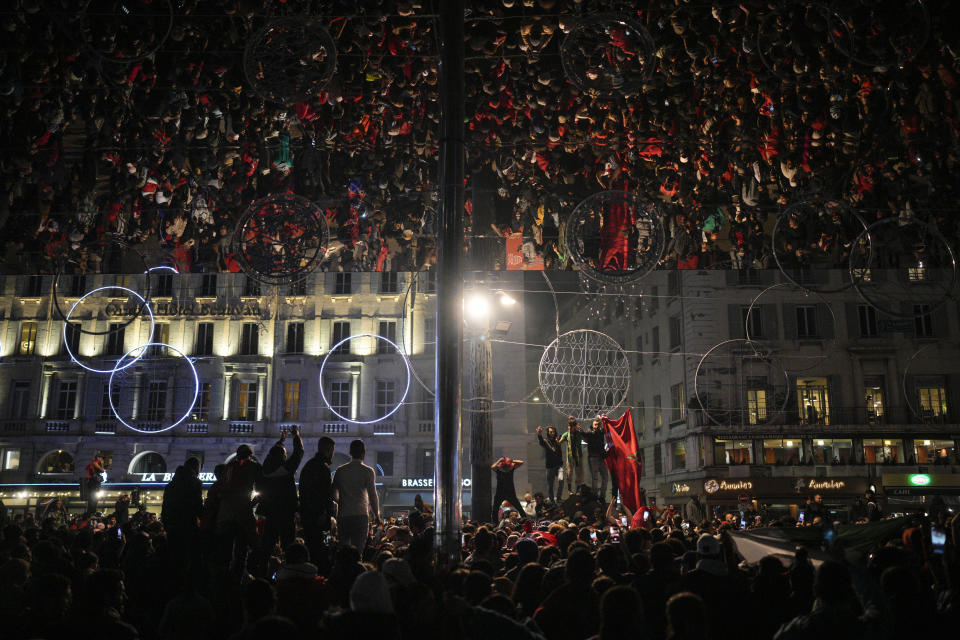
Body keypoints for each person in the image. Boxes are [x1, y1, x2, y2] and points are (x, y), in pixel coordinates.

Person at [256, 426, 305, 572]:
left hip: (270, 513)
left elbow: (273, 455)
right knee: (288, 545)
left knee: (267, 545)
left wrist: (281, 441)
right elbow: (298, 453)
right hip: (285, 512)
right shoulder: (285, 469)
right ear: (283, 457)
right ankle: (289, 571)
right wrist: (296, 436)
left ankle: (262, 571)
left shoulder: (264, 471)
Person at [216, 444, 262, 573]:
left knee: (227, 549)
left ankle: (225, 577)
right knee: (244, 548)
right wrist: (251, 504)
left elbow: (223, 488)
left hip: (228, 513)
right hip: (243, 512)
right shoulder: (254, 466)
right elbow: (261, 489)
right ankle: (241, 576)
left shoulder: (229, 467)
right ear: (250, 455)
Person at [332, 439, 381, 551]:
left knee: (344, 549)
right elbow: (373, 495)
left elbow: (333, 493)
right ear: (363, 453)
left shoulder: (340, 470)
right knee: (358, 550)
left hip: (343, 515)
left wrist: (341, 502)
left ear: (350, 453)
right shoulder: (368, 471)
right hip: (360, 514)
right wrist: (376, 515)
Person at [298, 436, 337, 569]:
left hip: (307, 515)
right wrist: (324, 513)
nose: (332, 454)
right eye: (332, 450)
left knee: (312, 547)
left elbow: (304, 492)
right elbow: (325, 494)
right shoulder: (322, 468)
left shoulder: (309, 466)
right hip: (318, 516)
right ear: (329, 450)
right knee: (318, 550)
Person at [161, 457, 203, 566]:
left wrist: (166, 524)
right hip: (187, 524)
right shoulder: (194, 482)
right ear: (196, 467)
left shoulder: (171, 484)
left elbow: (165, 506)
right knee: (187, 558)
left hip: (172, 526)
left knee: (173, 559)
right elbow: (197, 505)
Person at [582, 418, 609, 501]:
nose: (597, 426)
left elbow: (607, 428)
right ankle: (594, 495)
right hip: (593, 458)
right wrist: (582, 433)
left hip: (600, 457)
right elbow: (587, 436)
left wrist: (605, 420)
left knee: (605, 476)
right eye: (595, 425)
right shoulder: (590, 433)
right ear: (592, 425)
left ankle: (602, 496)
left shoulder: (600, 432)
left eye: (598, 424)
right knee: (595, 477)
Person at [558, 417, 585, 497]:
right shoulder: (566, 434)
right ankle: (570, 490)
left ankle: (578, 490)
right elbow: (559, 442)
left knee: (579, 474)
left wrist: (582, 432)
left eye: (571, 426)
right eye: (568, 426)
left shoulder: (579, 433)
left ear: (575, 426)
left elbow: (586, 440)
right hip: (569, 457)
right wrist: (557, 440)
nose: (569, 427)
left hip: (578, 457)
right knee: (569, 473)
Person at [536, 425, 563, 502]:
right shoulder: (546, 441)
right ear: (548, 432)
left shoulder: (557, 440)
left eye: (553, 431)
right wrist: (539, 434)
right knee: (550, 485)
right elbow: (541, 442)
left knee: (561, 481)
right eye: (550, 432)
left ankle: (558, 498)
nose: (552, 433)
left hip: (559, 465)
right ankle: (552, 500)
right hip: (550, 466)